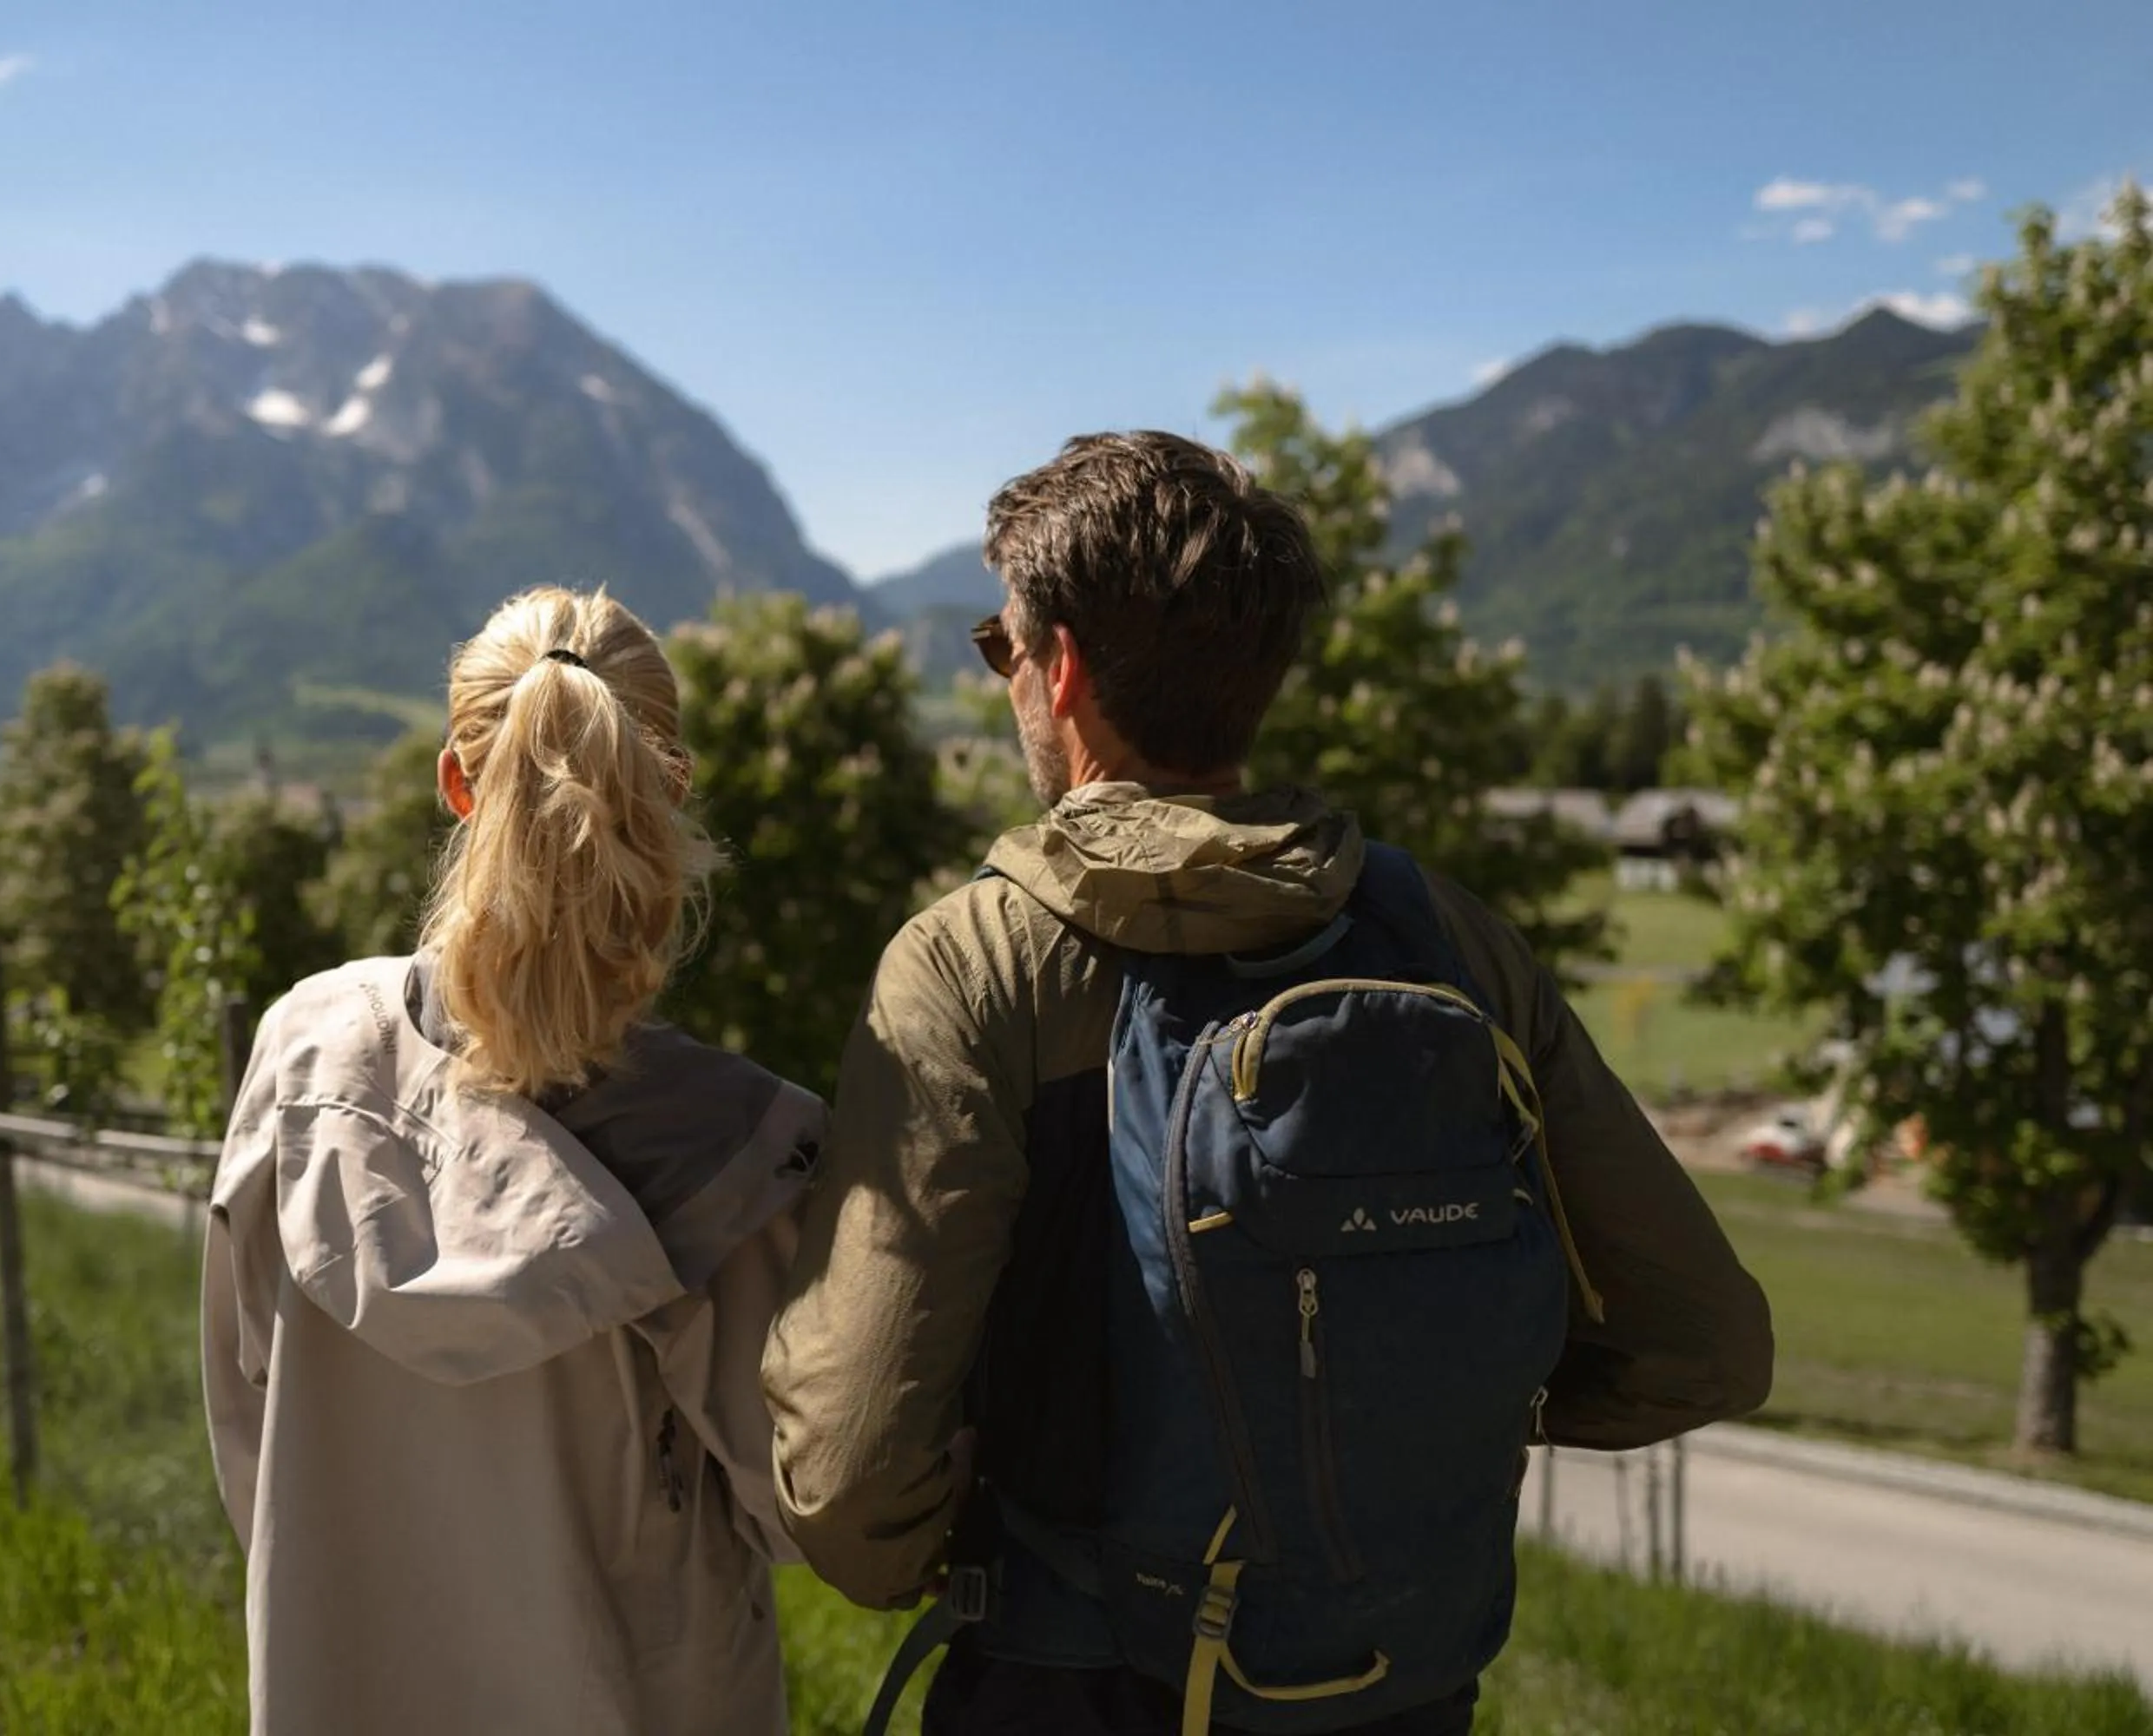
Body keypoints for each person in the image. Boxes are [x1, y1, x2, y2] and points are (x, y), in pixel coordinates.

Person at [760, 432, 1774, 1736]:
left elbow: (849, 1480)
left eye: (999, 644)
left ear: (1061, 668)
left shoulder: (979, 965)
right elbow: (1707, 1347)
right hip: (1396, 1696)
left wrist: (943, 1554)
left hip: (1072, 1690)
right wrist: (1395, 1428)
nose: (1005, 674)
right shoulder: (1448, 938)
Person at [203, 586, 823, 1736]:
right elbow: (806, 1511)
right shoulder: (738, 1144)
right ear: (671, 788)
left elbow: (247, 1414)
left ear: (455, 782)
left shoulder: (305, 1051)